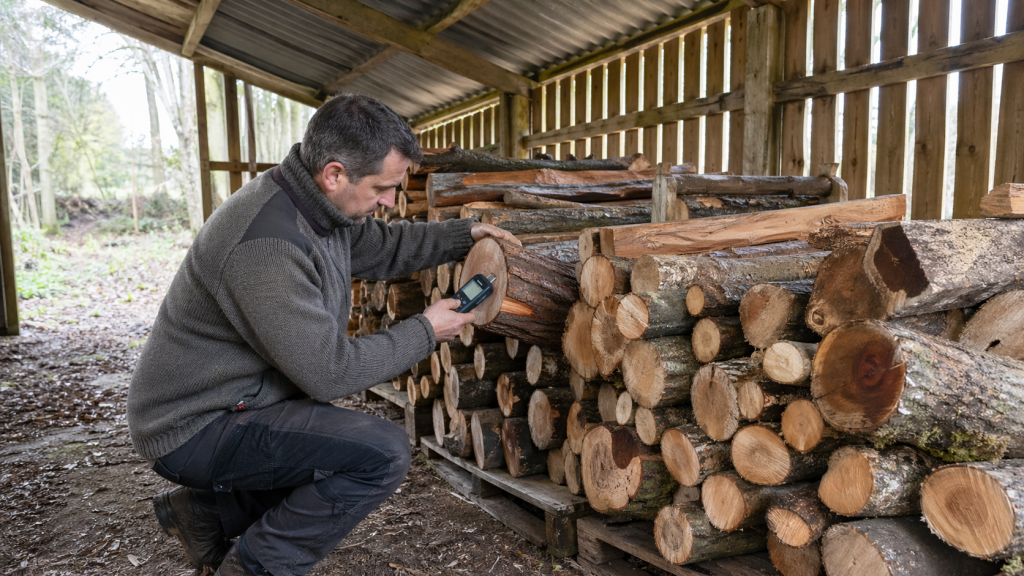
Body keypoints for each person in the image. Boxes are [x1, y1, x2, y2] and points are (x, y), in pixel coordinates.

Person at [126, 94, 519, 576]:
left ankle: (206, 514)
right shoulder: (268, 244)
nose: (390, 201)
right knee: (379, 453)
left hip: (237, 400)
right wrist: (426, 329)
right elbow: (328, 375)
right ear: (334, 174)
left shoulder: (313, 205)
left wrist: (466, 235)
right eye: (383, 187)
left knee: (336, 441)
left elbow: (381, 246)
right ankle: (255, 568)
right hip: (193, 425)